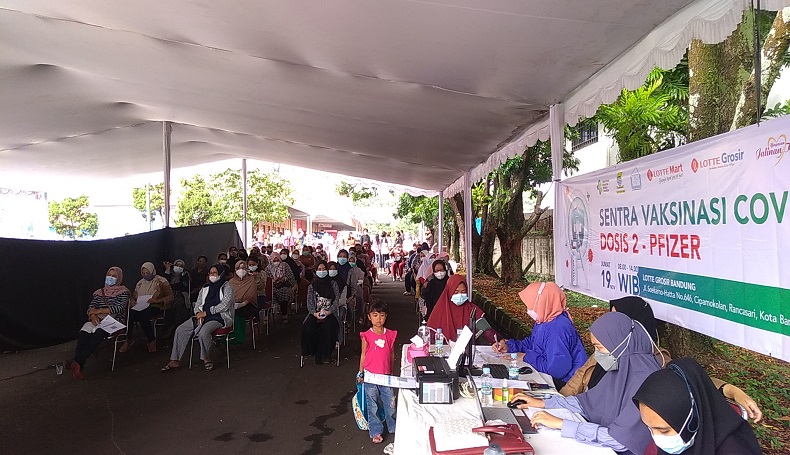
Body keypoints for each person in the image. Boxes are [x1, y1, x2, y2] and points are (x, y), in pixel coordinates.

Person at [560, 296, 763, 422]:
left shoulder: (654, 362)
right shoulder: (606, 350)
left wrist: (732, 390)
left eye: (617, 320)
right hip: (581, 416)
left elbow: (687, 379)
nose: (610, 325)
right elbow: (578, 380)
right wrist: (557, 403)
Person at [510, 312, 661, 455]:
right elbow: (587, 403)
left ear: (619, 344)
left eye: (599, 347)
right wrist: (542, 403)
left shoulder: (644, 378)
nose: (597, 354)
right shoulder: (622, 365)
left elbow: (620, 441)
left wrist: (562, 424)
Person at [633, 357, 761, 455]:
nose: (657, 439)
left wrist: (733, 391)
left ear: (691, 417)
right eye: (650, 428)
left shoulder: (734, 450)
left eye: (664, 431)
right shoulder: (677, 439)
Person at [492, 282, 587, 389]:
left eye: (531, 305)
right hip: (549, 376)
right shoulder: (547, 319)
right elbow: (532, 343)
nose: (529, 310)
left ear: (543, 303)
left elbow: (556, 370)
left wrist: (526, 357)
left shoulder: (558, 329)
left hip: (564, 385)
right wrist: (510, 346)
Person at [161, 264, 234, 372]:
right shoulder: (205, 288)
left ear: (221, 274)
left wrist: (207, 313)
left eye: (215, 273)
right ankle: (175, 359)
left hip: (219, 317)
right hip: (202, 316)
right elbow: (198, 304)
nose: (212, 275)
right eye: (210, 273)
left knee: (203, 332)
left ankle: (206, 357)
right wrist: (199, 314)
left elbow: (225, 305)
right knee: (181, 329)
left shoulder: (227, 287)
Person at [68, 266, 130, 379]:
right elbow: (91, 307)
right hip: (97, 319)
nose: (110, 278)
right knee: (84, 332)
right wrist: (92, 315)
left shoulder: (124, 292)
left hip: (114, 321)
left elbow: (119, 308)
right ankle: (78, 365)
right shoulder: (99, 292)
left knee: (99, 332)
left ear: (119, 278)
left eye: (114, 276)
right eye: (109, 275)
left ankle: (77, 361)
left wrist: (99, 310)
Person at [357, 301, 397, 444]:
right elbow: (363, 355)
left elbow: (391, 354)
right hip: (370, 377)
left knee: (390, 403)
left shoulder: (390, 335)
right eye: (375, 315)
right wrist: (360, 373)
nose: (378, 319)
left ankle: (393, 427)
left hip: (386, 376)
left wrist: (391, 371)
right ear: (369, 317)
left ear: (386, 317)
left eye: (381, 315)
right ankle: (375, 431)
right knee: (372, 405)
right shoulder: (366, 336)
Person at [122, 262, 174, 353]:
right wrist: (133, 300)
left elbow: (170, 296)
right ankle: (128, 339)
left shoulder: (161, 281)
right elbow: (134, 295)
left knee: (143, 316)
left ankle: (151, 340)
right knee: (129, 315)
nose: (146, 275)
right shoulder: (140, 283)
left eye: (148, 273)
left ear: (153, 271)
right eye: (144, 273)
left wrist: (157, 300)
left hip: (156, 305)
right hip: (140, 305)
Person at [426, 274, 486, 342]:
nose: (460, 295)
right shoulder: (439, 311)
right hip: (443, 350)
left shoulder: (472, 309)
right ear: (449, 292)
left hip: (468, 350)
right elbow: (430, 336)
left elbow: (486, 329)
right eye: (456, 292)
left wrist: (497, 340)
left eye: (463, 292)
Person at [301, 261, 340, 364]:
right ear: (316, 271)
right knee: (307, 328)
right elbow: (309, 303)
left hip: (330, 313)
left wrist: (329, 312)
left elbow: (336, 301)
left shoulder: (333, 284)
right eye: (319, 269)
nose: (322, 271)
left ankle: (325, 355)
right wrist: (315, 313)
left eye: (324, 269)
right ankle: (314, 351)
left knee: (327, 328)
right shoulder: (312, 286)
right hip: (315, 313)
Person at [270, 252, 296, 323]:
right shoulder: (269, 267)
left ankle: (285, 314)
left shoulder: (285, 265)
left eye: (277, 260)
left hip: (284, 286)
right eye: (274, 260)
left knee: (284, 292)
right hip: (273, 287)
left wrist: (284, 279)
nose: (276, 262)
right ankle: (267, 315)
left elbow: (290, 277)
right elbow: (267, 279)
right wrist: (273, 281)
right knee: (269, 294)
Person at [164, 258, 192, 326]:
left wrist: (171, 286)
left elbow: (182, 286)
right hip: (169, 295)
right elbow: (164, 284)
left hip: (180, 295)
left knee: (178, 304)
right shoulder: (170, 274)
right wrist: (167, 270)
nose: (178, 267)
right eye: (177, 265)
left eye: (181, 266)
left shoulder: (185, 274)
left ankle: (177, 326)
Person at [347, 254, 366, 323]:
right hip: (346, 287)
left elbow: (361, 280)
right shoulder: (345, 269)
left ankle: (360, 315)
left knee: (359, 297)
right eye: (349, 261)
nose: (351, 263)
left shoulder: (359, 270)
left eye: (353, 261)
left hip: (356, 286)